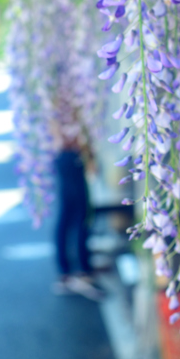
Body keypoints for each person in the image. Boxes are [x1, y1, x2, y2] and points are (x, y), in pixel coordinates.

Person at [50, 106, 103, 302]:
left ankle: (67, 272)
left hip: (64, 157)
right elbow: (79, 130)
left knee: (68, 216)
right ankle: (81, 271)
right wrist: (89, 156)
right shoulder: (64, 96)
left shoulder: (54, 96)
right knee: (80, 215)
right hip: (71, 156)